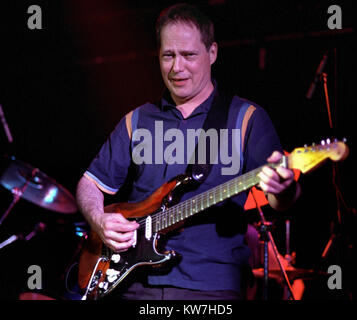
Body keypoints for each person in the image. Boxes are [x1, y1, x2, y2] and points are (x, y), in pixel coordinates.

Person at [76, 3, 301, 300]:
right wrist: (99, 220)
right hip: (132, 284)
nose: (176, 67)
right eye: (168, 55)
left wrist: (284, 187)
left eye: (188, 55)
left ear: (213, 53)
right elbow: (89, 183)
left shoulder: (246, 118)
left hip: (210, 286)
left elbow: (283, 199)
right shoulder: (137, 119)